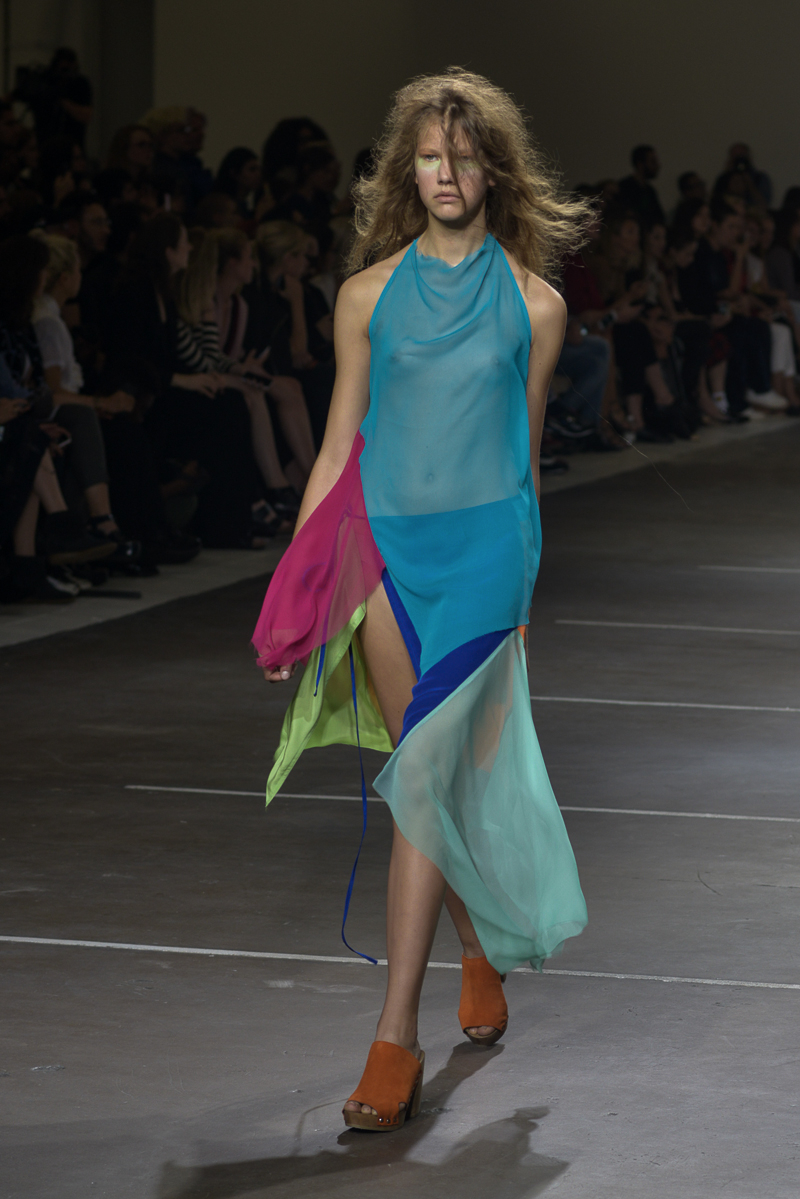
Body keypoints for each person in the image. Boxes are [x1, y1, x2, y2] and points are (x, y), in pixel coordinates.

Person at [253, 67, 588, 1132]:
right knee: (421, 782)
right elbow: (335, 445)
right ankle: (478, 945)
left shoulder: (536, 306)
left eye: (464, 156)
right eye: (430, 157)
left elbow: (523, 457)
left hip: (484, 560)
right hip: (386, 557)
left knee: (429, 777)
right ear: (409, 169)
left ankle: (393, 1033)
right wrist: (298, 585)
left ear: (495, 169)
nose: (446, 174)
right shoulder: (365, 296)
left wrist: (522, 589)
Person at [617, 145, 665, 226]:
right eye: (653, 161)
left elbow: (659, 216)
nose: (658, 165)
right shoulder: (624, 187)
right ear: (640, 164)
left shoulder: (650, 190)